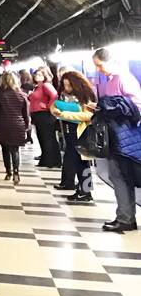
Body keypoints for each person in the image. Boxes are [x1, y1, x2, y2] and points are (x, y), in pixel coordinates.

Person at [90, 48, 141, 232]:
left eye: (100, 65)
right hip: (116, 136)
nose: (98, 70)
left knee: (120, 175)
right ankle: (125, 216)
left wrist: (111, 111)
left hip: (125, 138)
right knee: (119, 175)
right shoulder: (111, 80)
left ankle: (125, 218)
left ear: (110, 61)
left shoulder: (123, 79)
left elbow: (136, 106)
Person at [53, 69, 97, 204]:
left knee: (82, 162)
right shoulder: (66, 95)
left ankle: (86, 191)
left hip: (80, 132)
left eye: (69, 85)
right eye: (65, 85)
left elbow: (88, 115)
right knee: (76, 161)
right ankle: (82, 189)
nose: (67, 88)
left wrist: (64, 114)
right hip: (69, 131)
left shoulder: (86, 96)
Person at [0, 71, 30, 184]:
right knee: (15, 150)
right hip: (18, 125)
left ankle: (8, 172)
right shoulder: (21, 95)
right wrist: (26, 125)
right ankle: (16, 172)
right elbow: (26, 113)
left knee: (5, 149)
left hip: (2, 124)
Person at [27, 66, 61, 169]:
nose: (37, 76)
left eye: (40, 75)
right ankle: (45, 159)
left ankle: (52, 160)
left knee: (48, 138)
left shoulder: (46, 85)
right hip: (38, 115)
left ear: (45, 76)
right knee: (42, 138)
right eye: (36, 74)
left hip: (45, 115)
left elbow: (54, 96)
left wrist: (48, 106)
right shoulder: (37, 86)